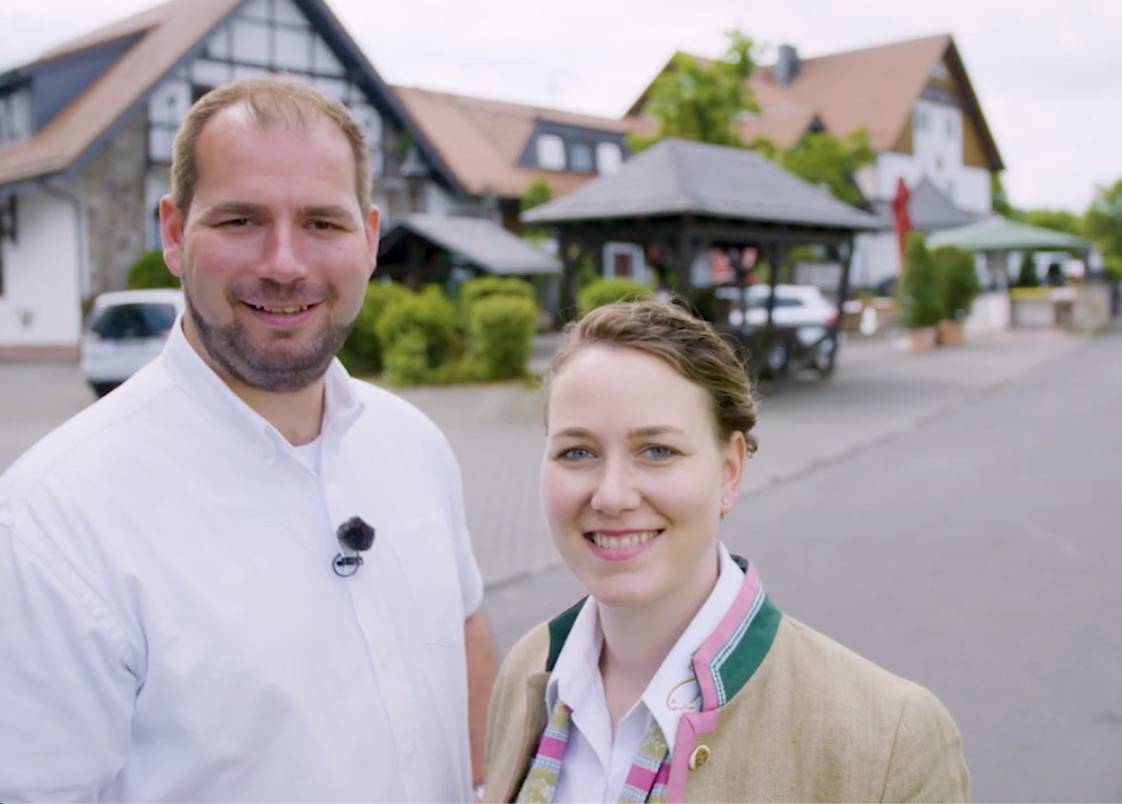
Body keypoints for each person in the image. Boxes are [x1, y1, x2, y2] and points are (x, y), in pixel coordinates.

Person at [0, 77, 497, 801]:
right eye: (240, 220)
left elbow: (464, 630)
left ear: (368, 238)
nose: (284, 263)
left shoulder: (414, 444)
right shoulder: (53, 521)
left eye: (322, 223)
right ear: (174, 233)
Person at [484, 300, 968, 802]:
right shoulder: (529, 672)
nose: (611, 496)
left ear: (730, 472)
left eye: (658, 451)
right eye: (577, 452)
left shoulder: (887, 739)